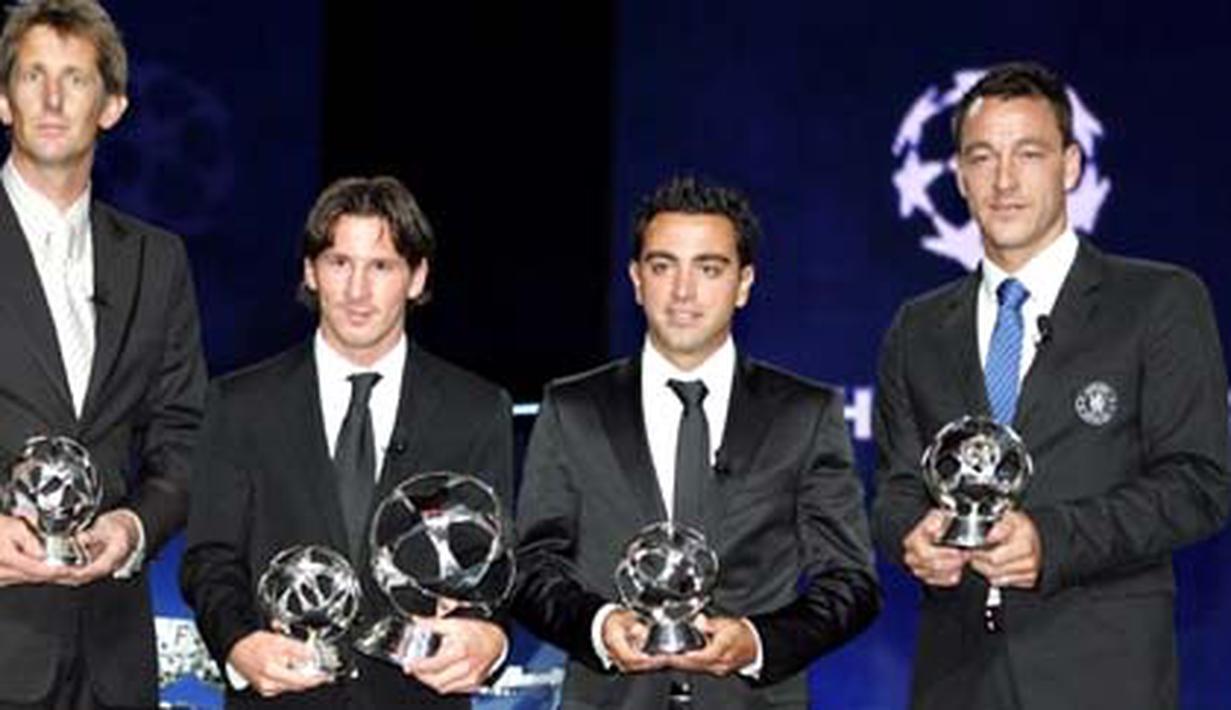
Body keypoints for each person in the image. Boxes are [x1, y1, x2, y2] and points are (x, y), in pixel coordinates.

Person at [871, 61, 1230, 710]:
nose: (1003, 180)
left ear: (1069, 165)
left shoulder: (1158, 301)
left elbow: (1200, 482)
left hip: (1103, 675)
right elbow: (895, 488)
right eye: (981, 157)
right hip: (955, 679)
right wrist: (912, 537)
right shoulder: (917, 326)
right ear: (957, 174)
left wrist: (1051, 541)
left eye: (1027, 154)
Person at [513, 175, 880, 709]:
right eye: (664, 266)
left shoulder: (805, 413)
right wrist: (598, 626)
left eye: (709, 268)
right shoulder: (574, 409)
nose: (683, 292)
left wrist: (755, 642)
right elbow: (531, 567)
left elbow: (851, 583)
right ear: (637, 279)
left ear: (745, 282)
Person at [180, 176, 514, 709]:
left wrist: (488, 639)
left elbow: (490, 565)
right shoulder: (240, 404)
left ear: (417, 276)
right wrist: (239, 645)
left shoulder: (474, 411)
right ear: (311, 272)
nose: (358, 291)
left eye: (380, 266)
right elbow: (210, 559)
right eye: (339, 263)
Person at [0, 0, 207, 707]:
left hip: (113, 659)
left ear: (112, 105)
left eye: (76, 78)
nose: (53, 99)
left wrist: (134, 526)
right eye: (33, 76)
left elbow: (183, 436)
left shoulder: (158, 260)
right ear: (3, 99)